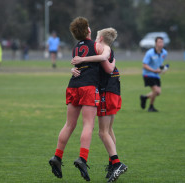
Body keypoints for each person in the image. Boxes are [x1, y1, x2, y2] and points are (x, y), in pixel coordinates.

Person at [48, 17, 115, 182]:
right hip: (88, 87)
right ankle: (82, 159)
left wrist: (75, 66)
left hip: (73, 86)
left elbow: (80, 64)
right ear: (89, 30)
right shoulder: (98, 46)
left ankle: (57, 156)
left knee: (69, 124)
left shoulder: (76, 48)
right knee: (88, 124)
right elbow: (105, 57)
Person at [71, 28, 127, 182]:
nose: (94, 39)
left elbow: (107, 67)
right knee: (108, 130)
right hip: (112, 90)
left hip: (107, 91)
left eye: (96, 36)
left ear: (101, 38)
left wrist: (81, 60)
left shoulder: (105, 48)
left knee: (102, 132)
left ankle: (117, 163)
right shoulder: (102, 49)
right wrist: (74, 67)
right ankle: (112, 165)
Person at [140, 36, 168, 112]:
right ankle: (151, 107)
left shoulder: (164, 53)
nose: (161, 44)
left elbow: (160, 63)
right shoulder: (150, 53)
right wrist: (154, 70)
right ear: (155, 43)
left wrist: (163, 69)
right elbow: (144, 65)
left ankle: (144, 97)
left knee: (158, 92)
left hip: (156, 75)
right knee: (155, 91)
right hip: (147, 74)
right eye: (159, 42)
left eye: (162, 42)